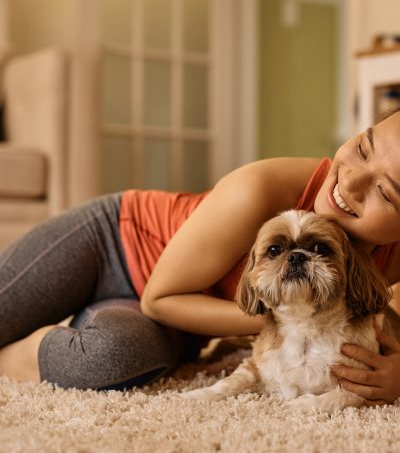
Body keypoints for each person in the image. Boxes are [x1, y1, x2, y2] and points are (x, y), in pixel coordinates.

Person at [1, 108, 400, 405]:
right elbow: (159, 296)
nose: (351, 181)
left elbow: (384, 322)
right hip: (113, 242)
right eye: (363, 148)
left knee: (108, 358)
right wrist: (289, 314)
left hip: (177, 317)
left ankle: (33, 347)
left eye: (387, 192)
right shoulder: (260, 190)